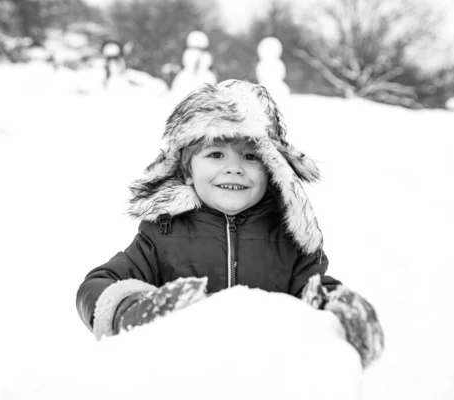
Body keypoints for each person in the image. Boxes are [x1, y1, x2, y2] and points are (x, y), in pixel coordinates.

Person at [76, 79, 384, 368]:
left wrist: (339, 311)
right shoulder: (163, 234)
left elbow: (314, 291)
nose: (234, 168)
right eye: (215, 154)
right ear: (186, 171)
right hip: (182, 380)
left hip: (266, 381)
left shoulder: (288, 238)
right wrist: (135, 310)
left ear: (273, 168)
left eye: (251, 157)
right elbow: (96, 287)